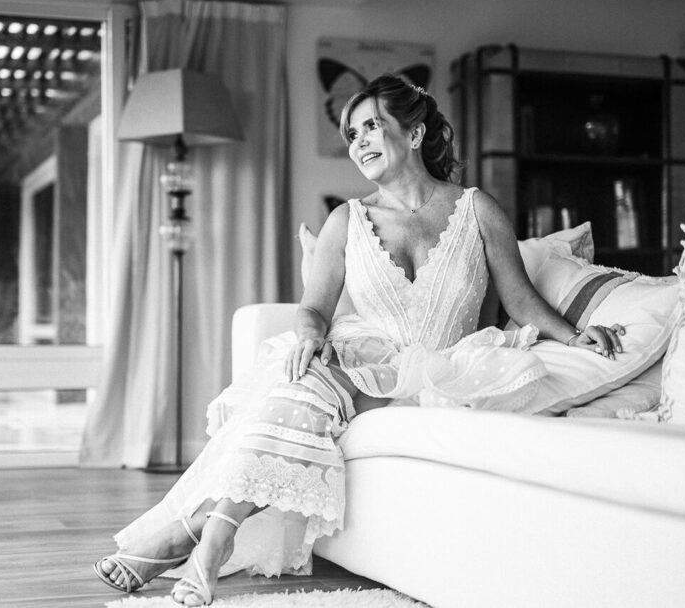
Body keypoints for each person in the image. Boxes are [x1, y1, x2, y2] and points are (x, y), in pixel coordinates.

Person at [94, 74, 625, 606]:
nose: (360, 142)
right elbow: (313, 308)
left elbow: (521, 299)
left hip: (445, 366)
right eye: (352, 134)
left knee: (306, 398)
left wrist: (576, 335)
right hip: (365, 360)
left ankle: (185, 534)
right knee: (302, 386)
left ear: (414, 134)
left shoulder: (476, 209)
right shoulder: (346, 220)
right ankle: (211, 546)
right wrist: (309, 336)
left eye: (372, 126)